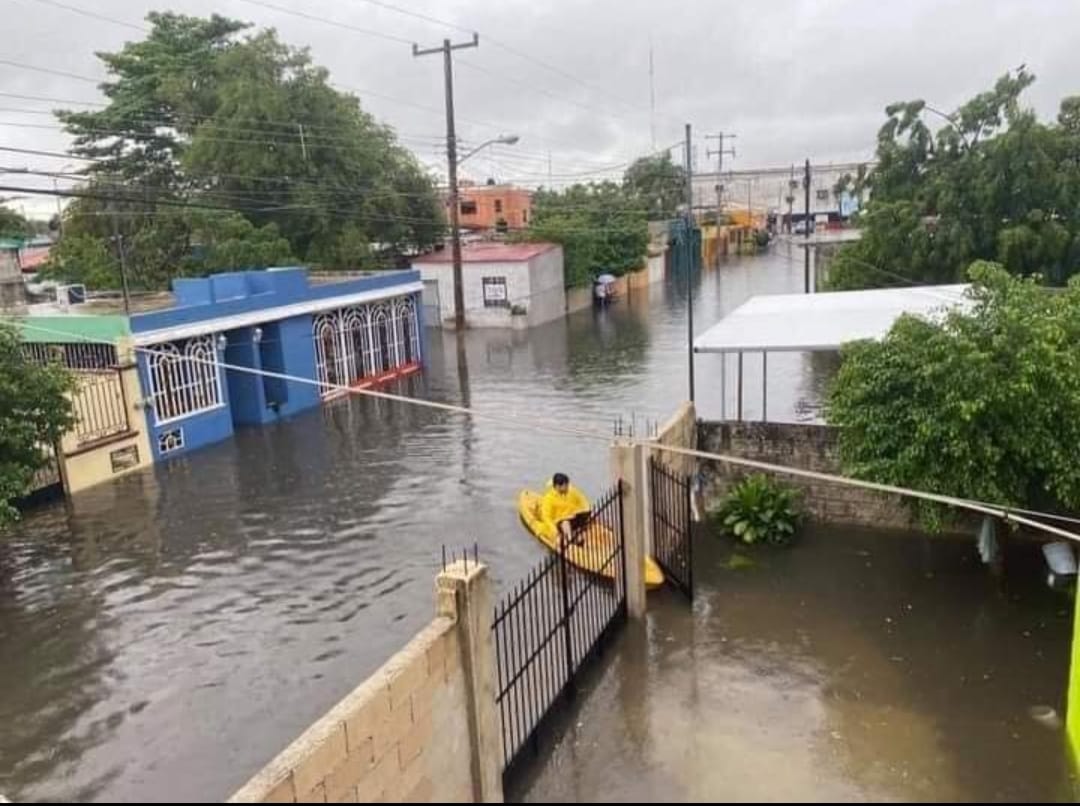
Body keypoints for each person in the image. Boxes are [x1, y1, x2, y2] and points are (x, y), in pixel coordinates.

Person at [540, 472, 591, 546]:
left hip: (572, 517)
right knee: (565, 522)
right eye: (565, 485)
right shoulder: (549, 499)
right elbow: (546, 518)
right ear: (558, 486)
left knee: (585, 514)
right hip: (559, 522)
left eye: (567, 484)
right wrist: (555, 531)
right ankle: (570, 539)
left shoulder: (571, 491)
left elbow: (582, 499)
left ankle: (579, 532)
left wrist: (586, 509)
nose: (568, 487)